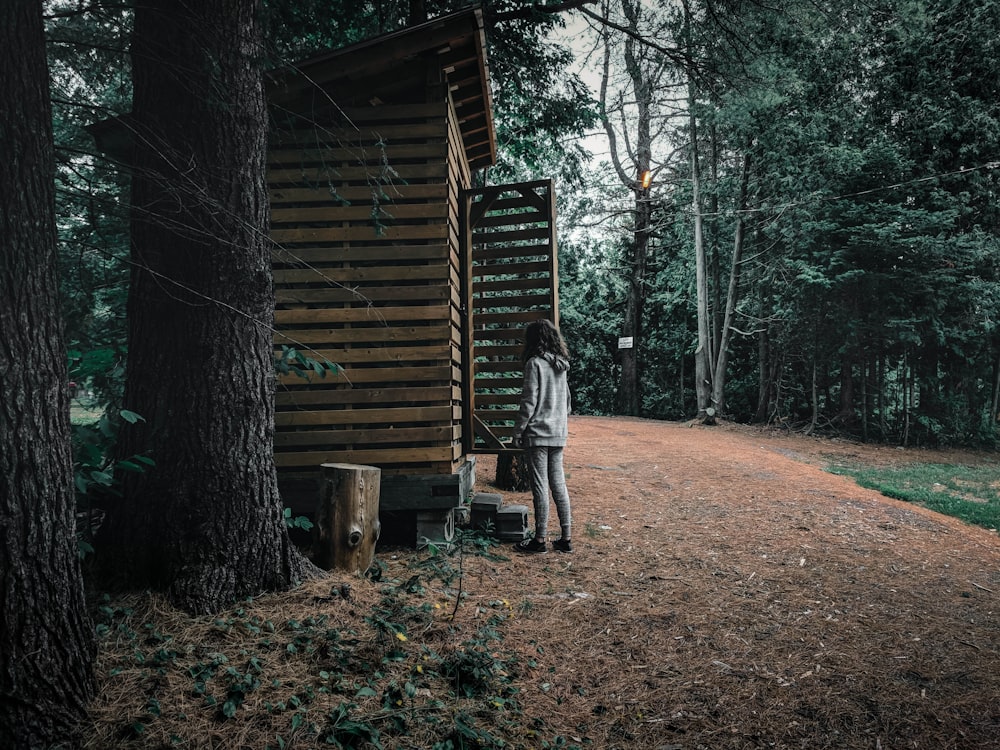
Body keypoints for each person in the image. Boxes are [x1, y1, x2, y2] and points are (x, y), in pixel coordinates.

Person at [511, 319, 573, 554]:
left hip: (537, 434)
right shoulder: (561, 366)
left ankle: (539, 539)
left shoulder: (534, 364)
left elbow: (529, 402)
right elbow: (567, 403)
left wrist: (517, 432)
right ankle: (565, 538)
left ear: (533, 339)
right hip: (558, 433)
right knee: (559, 484)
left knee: (540, 486)